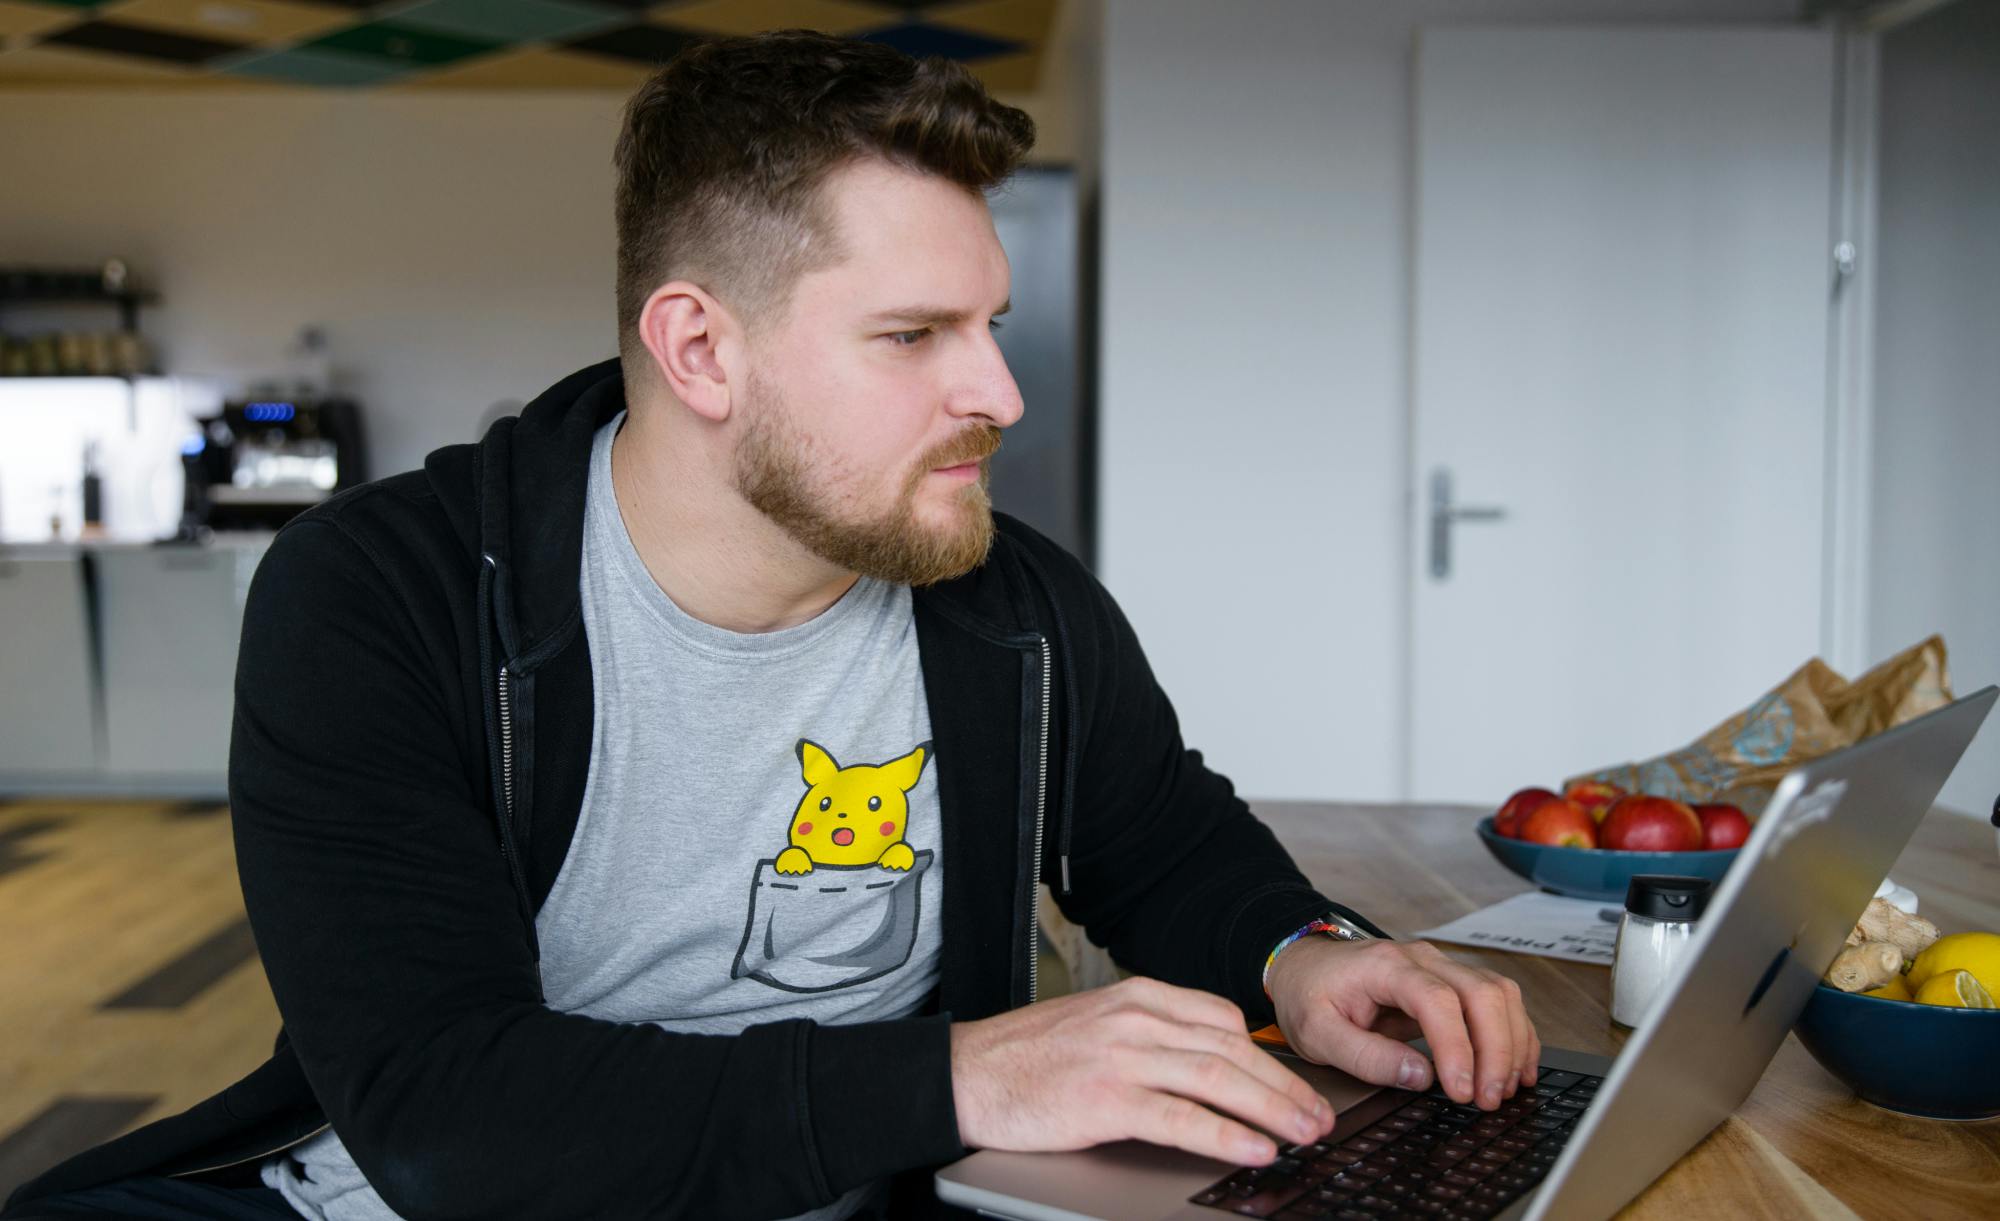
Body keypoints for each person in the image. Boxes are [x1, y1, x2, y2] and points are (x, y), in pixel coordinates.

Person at [3, 30, 1538, 1221]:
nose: (999, 393)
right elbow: (450, 1108)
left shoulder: (1013, 604)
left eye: (989, 325)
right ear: (700, 349)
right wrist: (964, 1073)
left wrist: (1303, 950)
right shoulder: (383, 596)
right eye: (911, 336)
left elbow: (1162, 838)